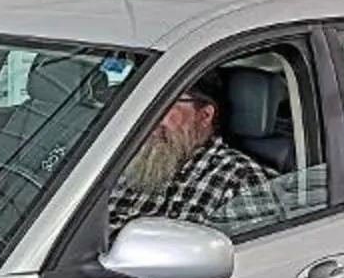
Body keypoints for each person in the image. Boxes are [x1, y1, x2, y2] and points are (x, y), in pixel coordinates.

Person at [107, 79, 274, 240]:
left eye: (163, 103)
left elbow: (250, 261)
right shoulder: (122, 158)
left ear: (204, 116)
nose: (146, 116)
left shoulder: (239, 178)